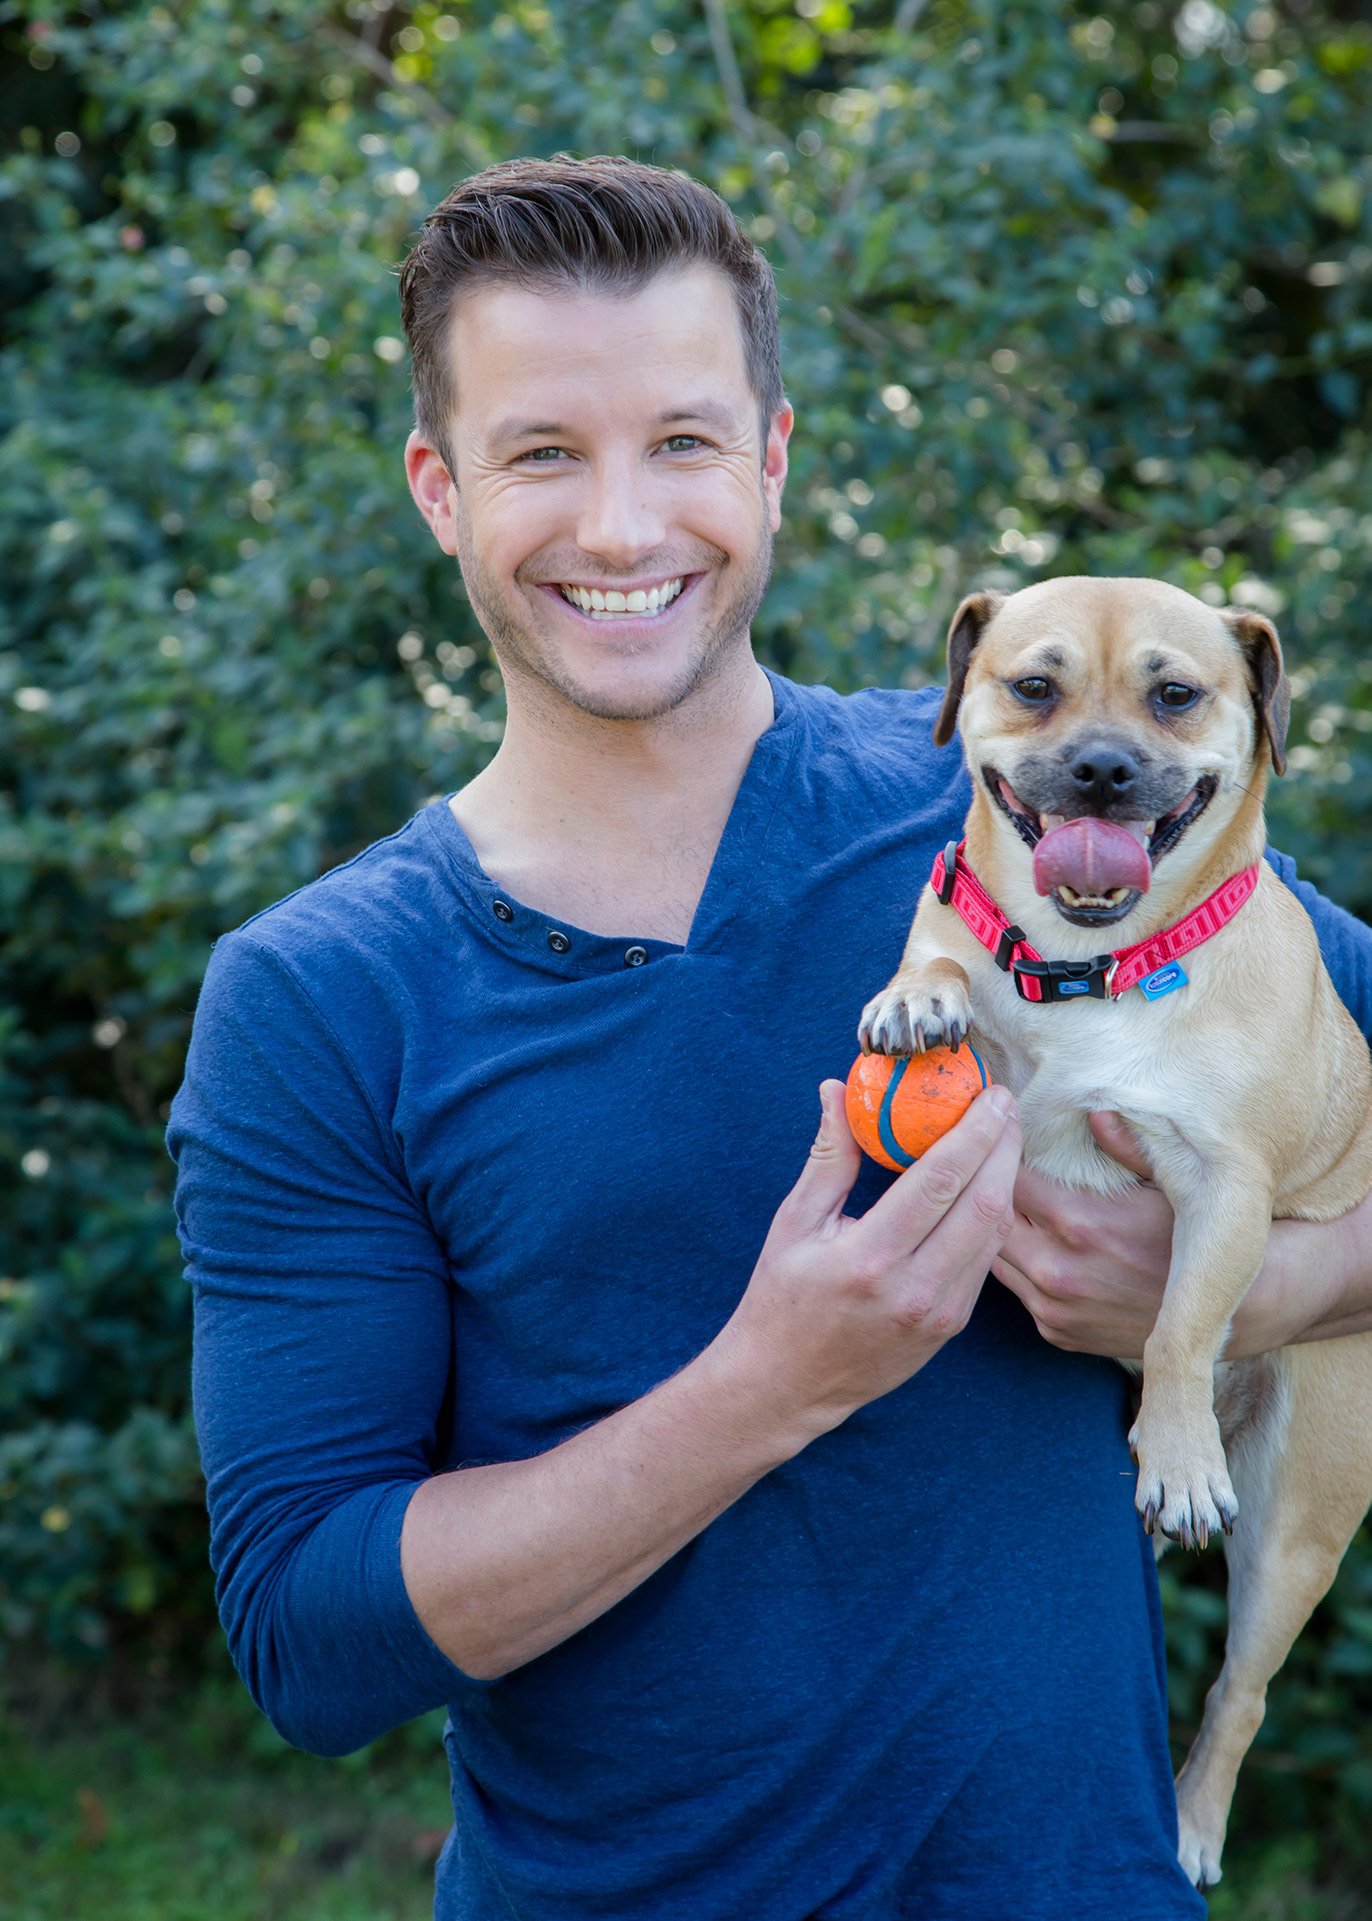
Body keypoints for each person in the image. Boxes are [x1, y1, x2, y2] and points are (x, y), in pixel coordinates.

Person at [168, 155, 1372, 1920]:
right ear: (439, 488)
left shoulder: (1031, 824)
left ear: (775, 461)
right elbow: (312, 1635)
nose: (623, 526)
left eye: (681, 442)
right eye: (540, 454)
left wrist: (1241, 1289)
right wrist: (766, 1385)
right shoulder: (322, 997)